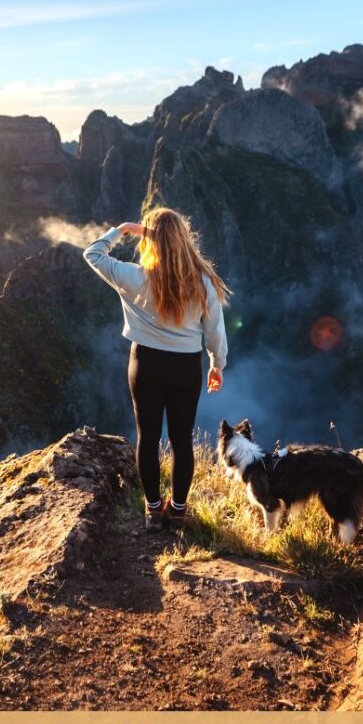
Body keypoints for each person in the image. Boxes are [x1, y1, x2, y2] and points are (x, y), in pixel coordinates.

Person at [83, 206, 230, 532]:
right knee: (181, 441)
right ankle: (177, 512)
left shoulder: (134, 276)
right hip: (185, 368)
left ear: (150, 239)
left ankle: (152, 511)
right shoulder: (203, 281)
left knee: (147, 439)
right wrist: (216, 364)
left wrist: (121, 229)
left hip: (145, 364)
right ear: (183, 238)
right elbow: (216, 331)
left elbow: (92, 254)